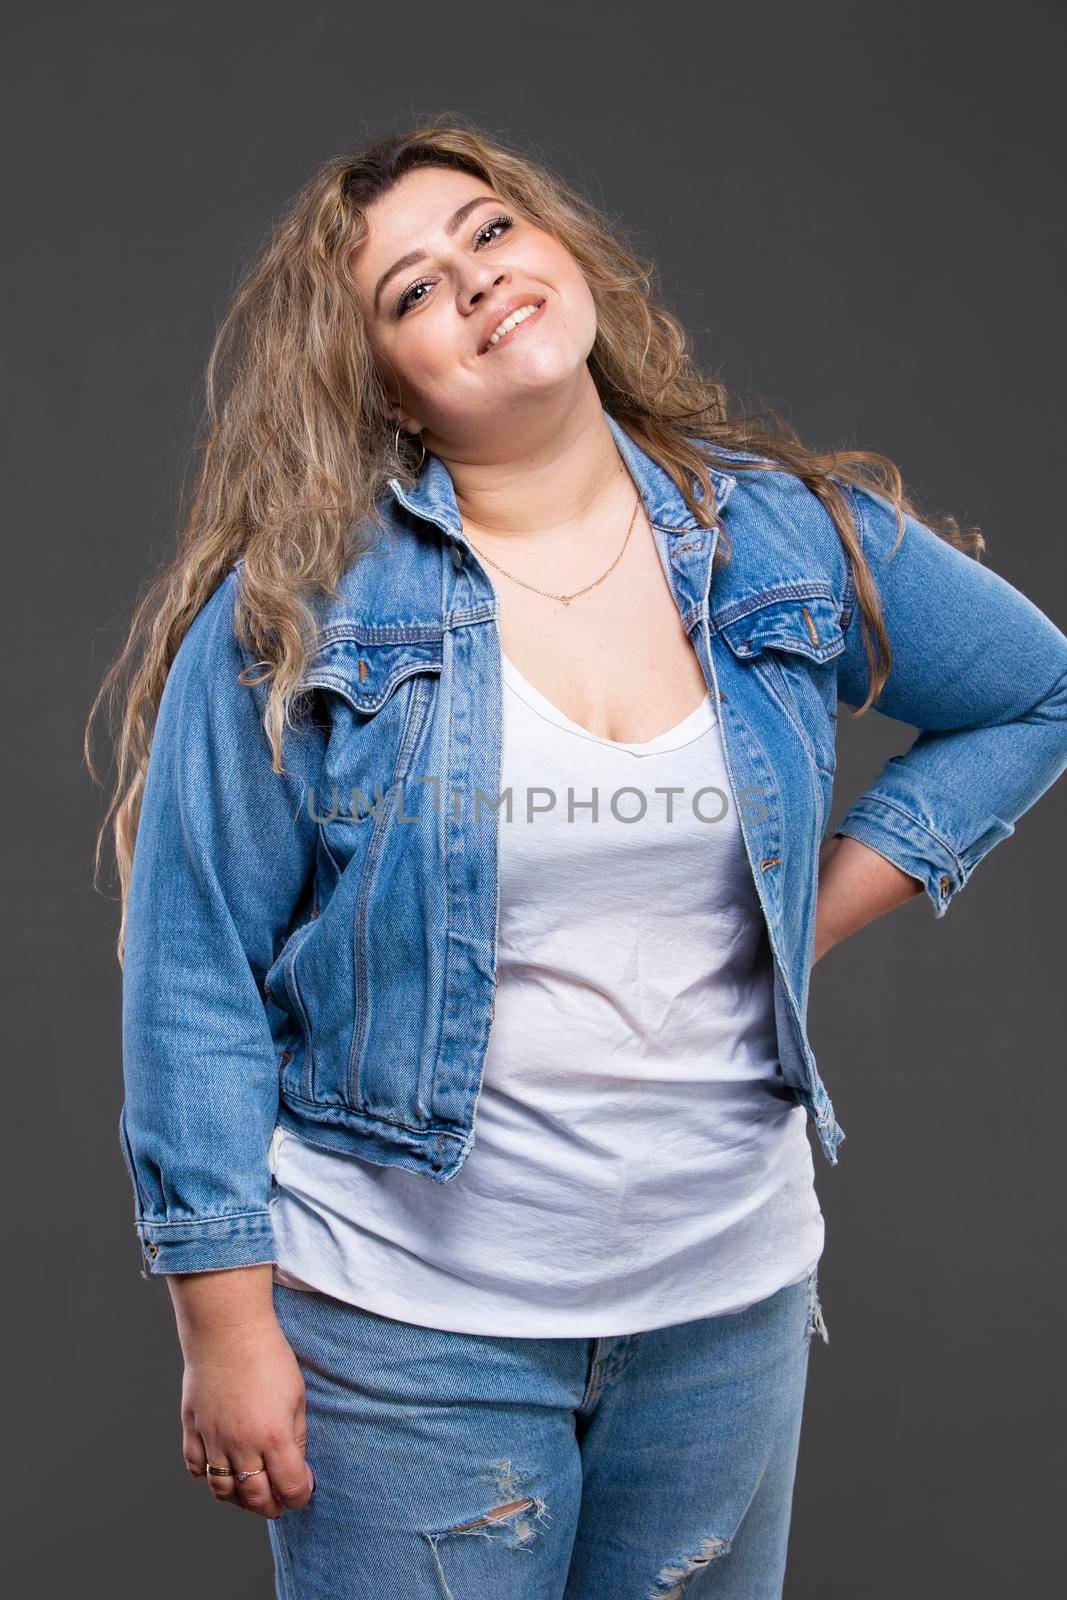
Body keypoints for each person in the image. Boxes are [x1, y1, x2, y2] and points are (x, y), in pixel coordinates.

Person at [88, 115, 1067, 1599]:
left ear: (560, 253)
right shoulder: (301, 608)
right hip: (407, 1332)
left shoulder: (776, 536)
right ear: (386, 392)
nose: (475, 283)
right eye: (411, 292)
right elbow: (193, 968)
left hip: (727, 1311)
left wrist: (786, 924)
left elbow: (1033, 690)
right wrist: (223, 1327)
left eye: (489, 233)